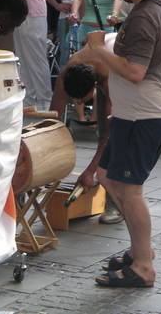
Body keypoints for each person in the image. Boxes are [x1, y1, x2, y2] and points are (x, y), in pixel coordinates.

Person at [80, 0, 161, 288]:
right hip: (134, 116)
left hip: (144, 117)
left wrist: (98, 51)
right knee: (107, 176)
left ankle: (143, 265)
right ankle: (140, 248)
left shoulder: (146, 16)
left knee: (129, 190)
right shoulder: (156, 8)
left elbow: (135, 71)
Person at [50, 33, 125, 224]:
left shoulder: (109, 79)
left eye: (82, 101)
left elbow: (110, 136)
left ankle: (117, 203)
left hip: (128, 69)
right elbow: (53, 123)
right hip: (102, 58)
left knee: (119, 140)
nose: (77, 103)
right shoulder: (66, 73)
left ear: (94, 86)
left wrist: (90, 171)